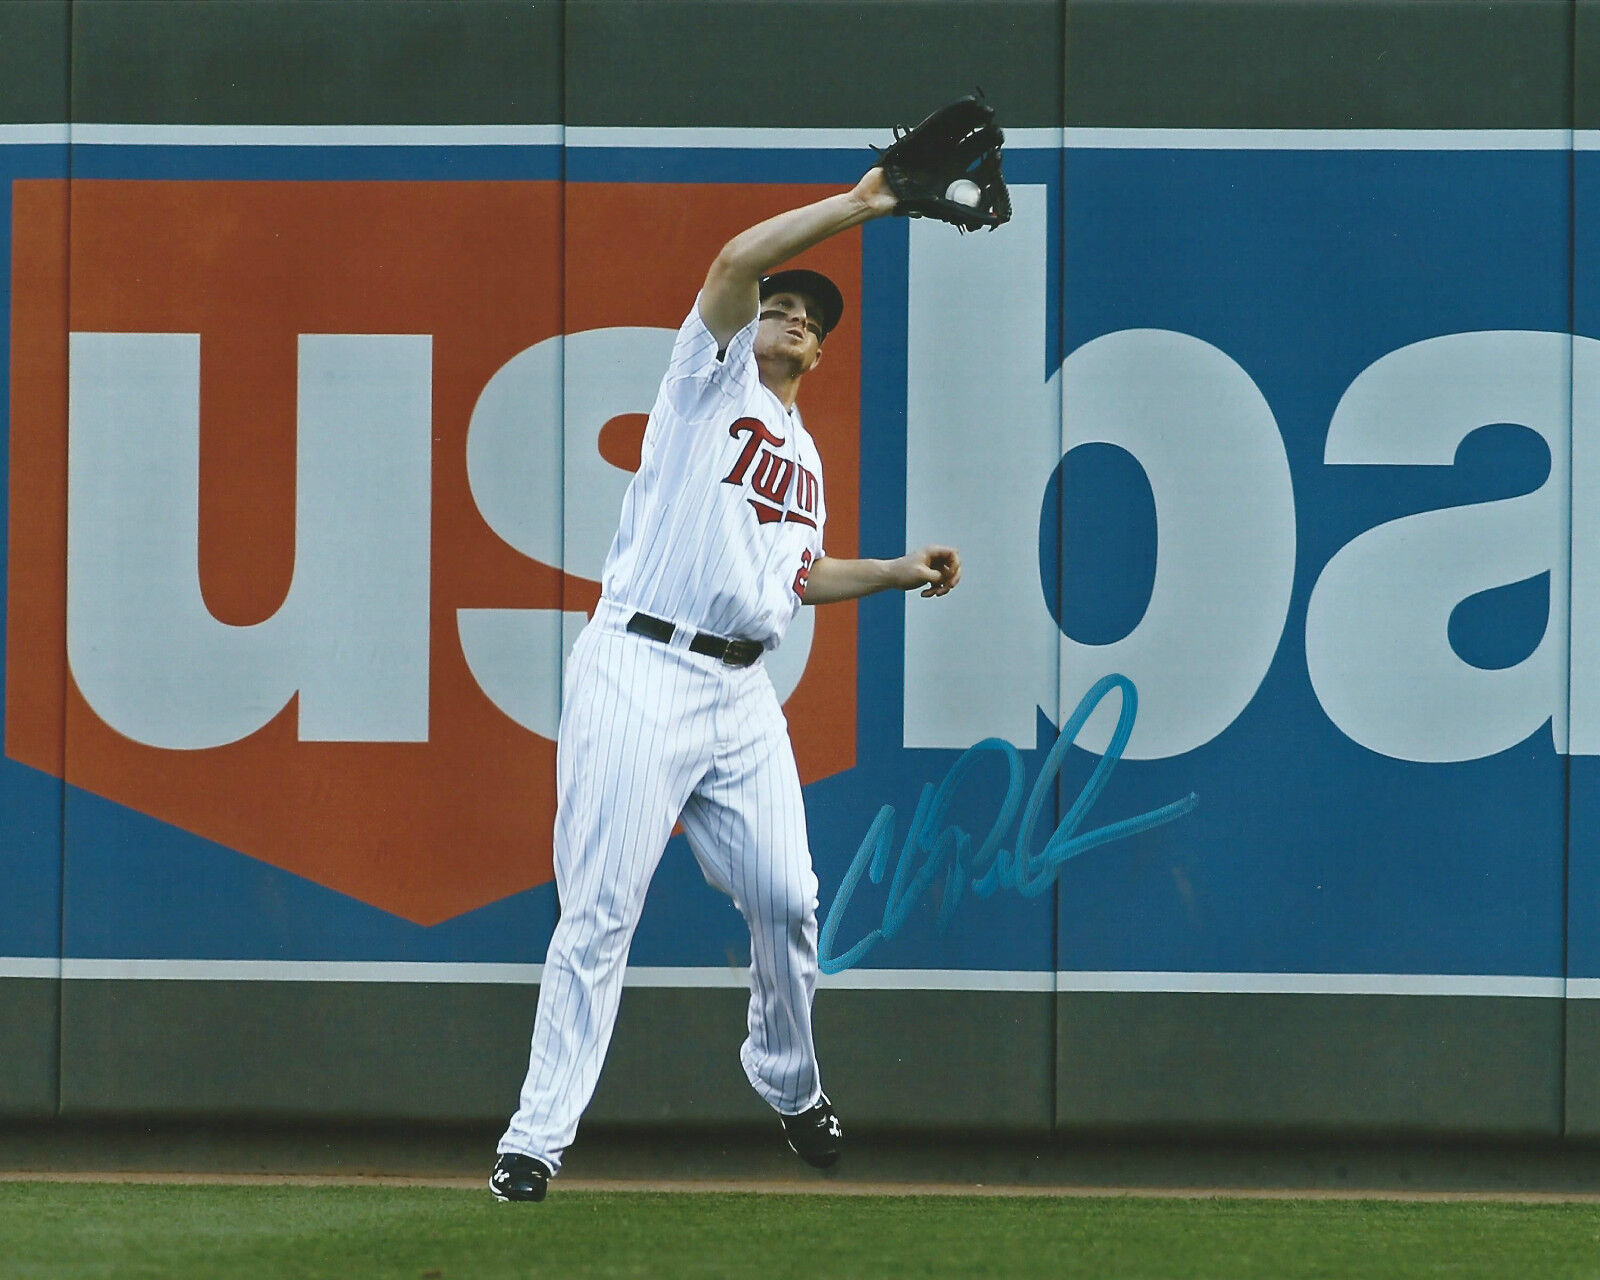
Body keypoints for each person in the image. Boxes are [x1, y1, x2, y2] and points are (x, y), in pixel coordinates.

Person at [490, 165, 962, 1202]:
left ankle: (788, 1082)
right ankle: (535, 1135)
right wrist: (859, 206)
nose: (788, 317)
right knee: (602, 906)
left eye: (806, 316)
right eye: (779, 307)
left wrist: (890, 571)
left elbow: (797, 576)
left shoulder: (803, 453)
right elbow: (732, 263)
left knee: (790, 897)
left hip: (742, 693)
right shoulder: (707, 385)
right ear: (748, 328)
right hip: (640, 664)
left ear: (821, 349)